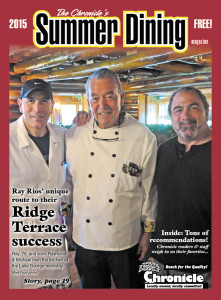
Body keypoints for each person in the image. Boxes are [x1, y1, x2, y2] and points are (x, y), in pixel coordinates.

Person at [65, 68, 157, 289]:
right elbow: (67, 183)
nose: (102, 104)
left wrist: (149, 233)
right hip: (86, 239)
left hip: (127, 240)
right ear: (88, 101)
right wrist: (65, 220)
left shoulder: (143, 137)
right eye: (95, 98)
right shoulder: (74, 135)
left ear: (121, 97)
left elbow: (151, 191)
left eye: (109, 95)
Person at [10, 79, 72, 289]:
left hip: (53, 241)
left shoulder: (63, 136)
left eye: (44, 101)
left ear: (52, 105)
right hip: (18, 245)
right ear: (20, 104)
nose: (38, 108)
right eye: (31, 101)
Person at [150, 87, 211, 287]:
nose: (185, 115)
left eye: (194, 107)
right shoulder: (164, 150)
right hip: (160, 262)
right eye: (178, 109)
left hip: (203, 268)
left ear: (206, 111)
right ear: (171, 117)